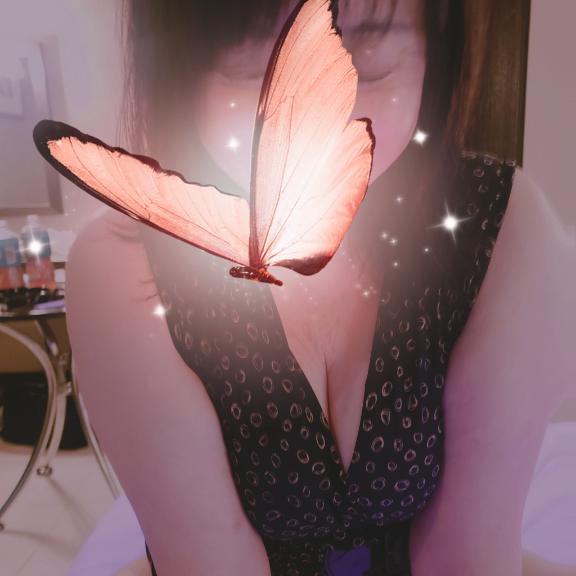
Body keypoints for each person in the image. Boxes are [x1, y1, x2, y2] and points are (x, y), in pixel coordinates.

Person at [64, 0, 576, 574]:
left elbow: (468, 555)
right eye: (250, 68)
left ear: (435, 50)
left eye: (371, 64)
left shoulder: (500, 227)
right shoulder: (128, 266)